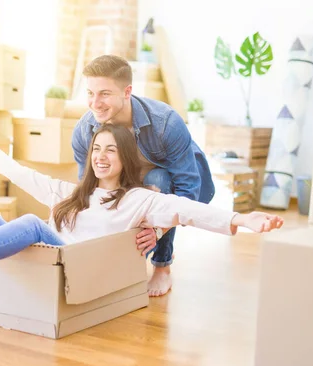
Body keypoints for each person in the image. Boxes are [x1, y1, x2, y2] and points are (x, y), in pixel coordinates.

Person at [0, 123, 283, 281]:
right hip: (48, 256)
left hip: (79, 267)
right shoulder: (71, 194)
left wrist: (242, 219)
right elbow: (19, 173)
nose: (101, 155)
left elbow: (190, 210)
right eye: (96, 148)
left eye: (111, 150)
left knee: (34, 225)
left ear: (124, 160)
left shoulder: (138, 199)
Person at [71, 54, 216, 296]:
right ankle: (121, 266)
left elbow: (187, 189)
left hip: (175, 184)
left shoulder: (166, 123)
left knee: (157, 180)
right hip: (129, 181)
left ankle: (162, 267)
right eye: (90, 93)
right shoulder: (84, 132)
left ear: (127, 92)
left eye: (104, 93)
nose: (95, 103)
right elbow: (88, 189)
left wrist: (158, 231)